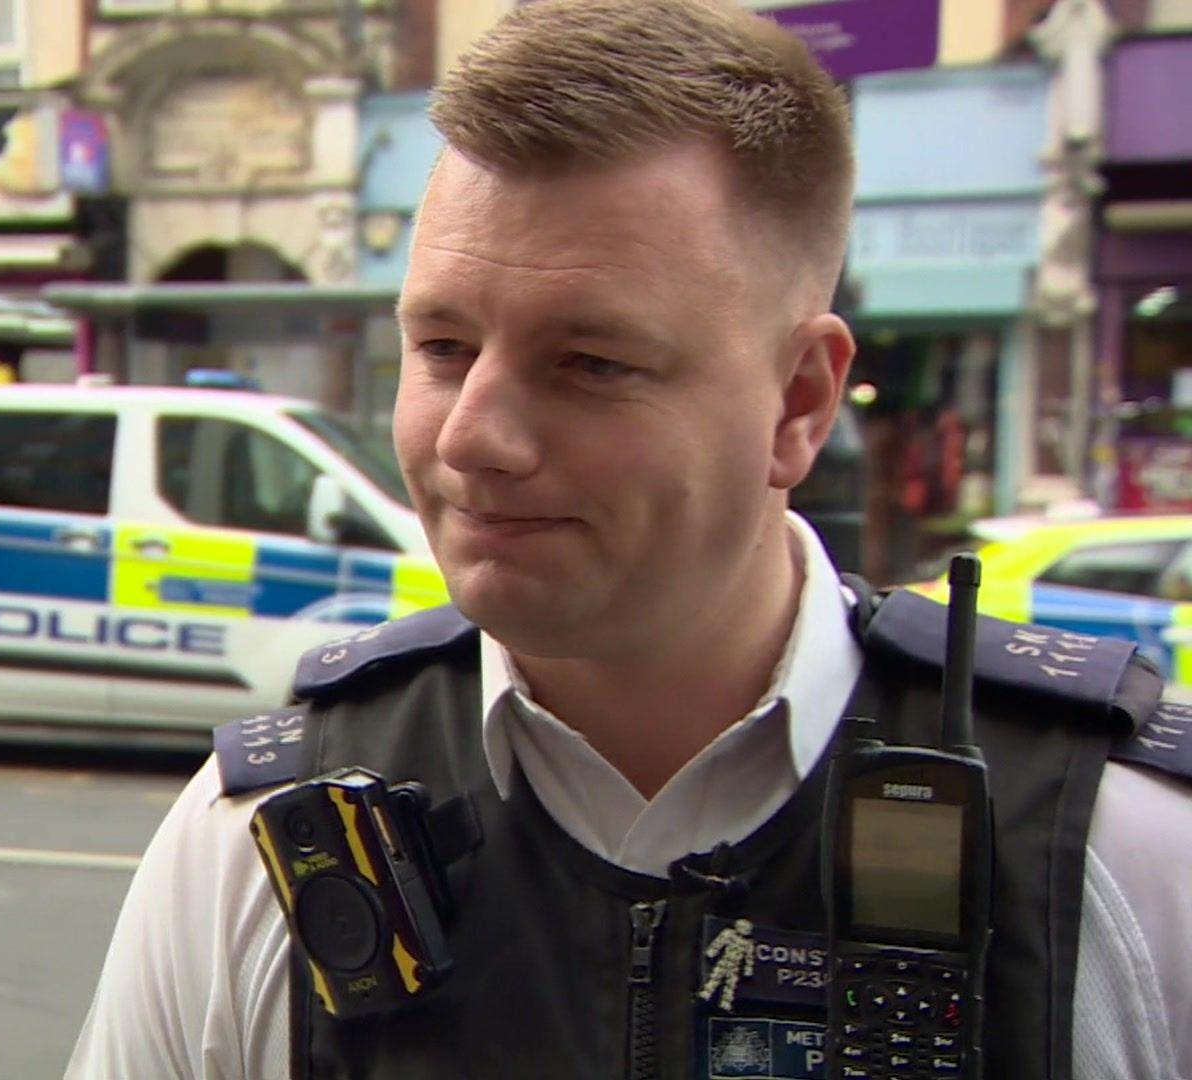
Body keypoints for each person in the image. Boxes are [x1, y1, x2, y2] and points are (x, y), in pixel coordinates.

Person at [66, 1, 1192, 1077]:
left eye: (592, 363)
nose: (474, 439)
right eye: (444, 347)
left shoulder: (1118, 856)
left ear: (798, 402)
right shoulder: (258, 839)